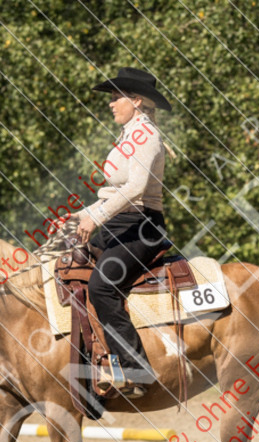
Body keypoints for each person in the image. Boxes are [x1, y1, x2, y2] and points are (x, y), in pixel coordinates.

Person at [73, 67, 172, 399]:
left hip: (142, 227)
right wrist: (82, 216)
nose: (111, 103)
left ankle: (136, 370)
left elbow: (135, 188)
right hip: (121, 224)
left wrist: (95, 217)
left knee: (102, 285)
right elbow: (111, 192)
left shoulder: (148, 136)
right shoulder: (130, 135)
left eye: (117, 97)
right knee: (66, 264)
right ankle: (90, 358)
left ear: (137, 101)